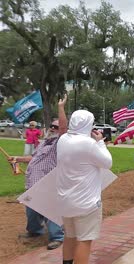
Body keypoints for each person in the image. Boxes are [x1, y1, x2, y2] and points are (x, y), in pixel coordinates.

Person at [10, 95, 68, 250]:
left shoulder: (60, 143)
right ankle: (35, 231)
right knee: (31, 209)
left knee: (50, 209)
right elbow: (33, 158)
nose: (53, 128)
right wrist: (17, 158)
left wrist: (61, 107)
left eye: (56, 127)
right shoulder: (43, 143)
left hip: (49, 182)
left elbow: (63, 129)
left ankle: (57, 237)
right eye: (51, 126)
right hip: (33, 182)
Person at [56, 109, 113, 264]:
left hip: (65, 200)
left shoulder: (62, 140)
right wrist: (100, 142)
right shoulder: (89, 144)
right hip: (86, 203)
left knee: (70, 235)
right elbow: (107, 162)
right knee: (84, 240)